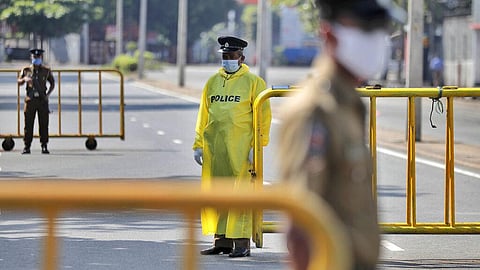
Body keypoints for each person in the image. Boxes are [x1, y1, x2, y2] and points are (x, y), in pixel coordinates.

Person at [277, 0, 403, 269]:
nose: (377, 40)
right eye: (365, 30)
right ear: (329, 34)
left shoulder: (347, 104)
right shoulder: (314, 109)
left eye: (381, 29)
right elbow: (301, 223)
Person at [192, 36, 272, 258]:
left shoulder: (254, 83)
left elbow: (263, 117)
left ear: (241, 58)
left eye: (231, 56)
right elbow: (203, 115)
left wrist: (258, 144)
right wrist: (198, 144)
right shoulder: (212, 82)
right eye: (224, 57)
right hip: (215, 148)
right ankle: (222, 241)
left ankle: (241, 243)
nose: (227, 60)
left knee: (239, 194)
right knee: (218, 192)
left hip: (241, 149)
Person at [18, 48, 55, 154]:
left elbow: (52, 83)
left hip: (42, 101)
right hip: (30, 101)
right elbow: (19, 81)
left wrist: (48, 95)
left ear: (41, 58)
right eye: (34, 57)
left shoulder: (46, 71)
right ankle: (27, 146)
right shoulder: (26, 70)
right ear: (31, 57)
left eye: (38, 57)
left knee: (44, 124)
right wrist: (25, 79)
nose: (36, 59)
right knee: (28, 124)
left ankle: (44, 145)